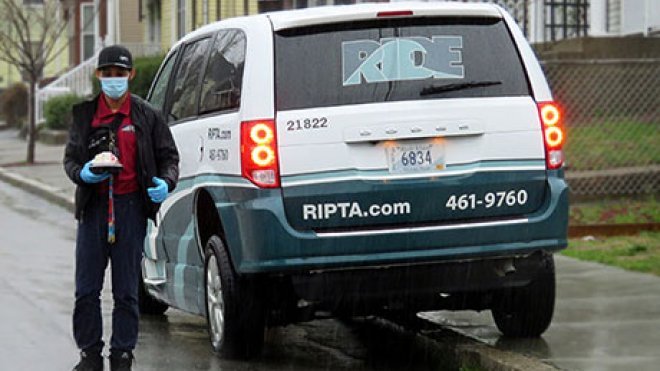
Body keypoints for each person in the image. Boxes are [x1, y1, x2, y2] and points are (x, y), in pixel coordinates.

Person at [64, 45, 179, 371]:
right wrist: (81, 174)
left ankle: (122, 354)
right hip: (94, 209)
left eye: (120, 74)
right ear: (99, 75)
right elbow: (71, 159)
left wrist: (165, 183)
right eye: (108, 74)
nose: (114, 80)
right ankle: (89, 354)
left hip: (130, 210)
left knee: (127, 290)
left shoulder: (146, 116)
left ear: (131, 75)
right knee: (86, 289)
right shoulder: (84, 115)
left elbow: (169, 157)